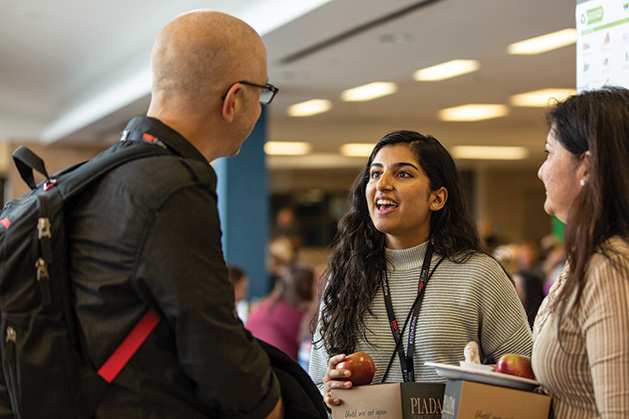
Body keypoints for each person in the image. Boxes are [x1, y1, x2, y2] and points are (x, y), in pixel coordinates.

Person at [65, 11, 286, 418]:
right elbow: (220, 357)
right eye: (263, 92)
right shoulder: (175, 188)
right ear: (234, 99)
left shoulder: (98, 174)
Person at [308, 130, 532, 408]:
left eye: (402, 174)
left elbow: (523, 373)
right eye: (375, 174)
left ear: (436, 198)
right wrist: (329, 389)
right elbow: (316, 384)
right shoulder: (345, 277)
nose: (382, 184)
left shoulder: (478, 274)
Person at [532, 87, 629, 418]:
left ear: (586, 167)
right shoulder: (588, 259)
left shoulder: (611, 268)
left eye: (549, 153)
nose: (541, 171)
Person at [247, 263, 315, 360]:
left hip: (250, 363)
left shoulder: (263, 306)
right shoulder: (301, 314)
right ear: (306, 286)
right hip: (279, 369)